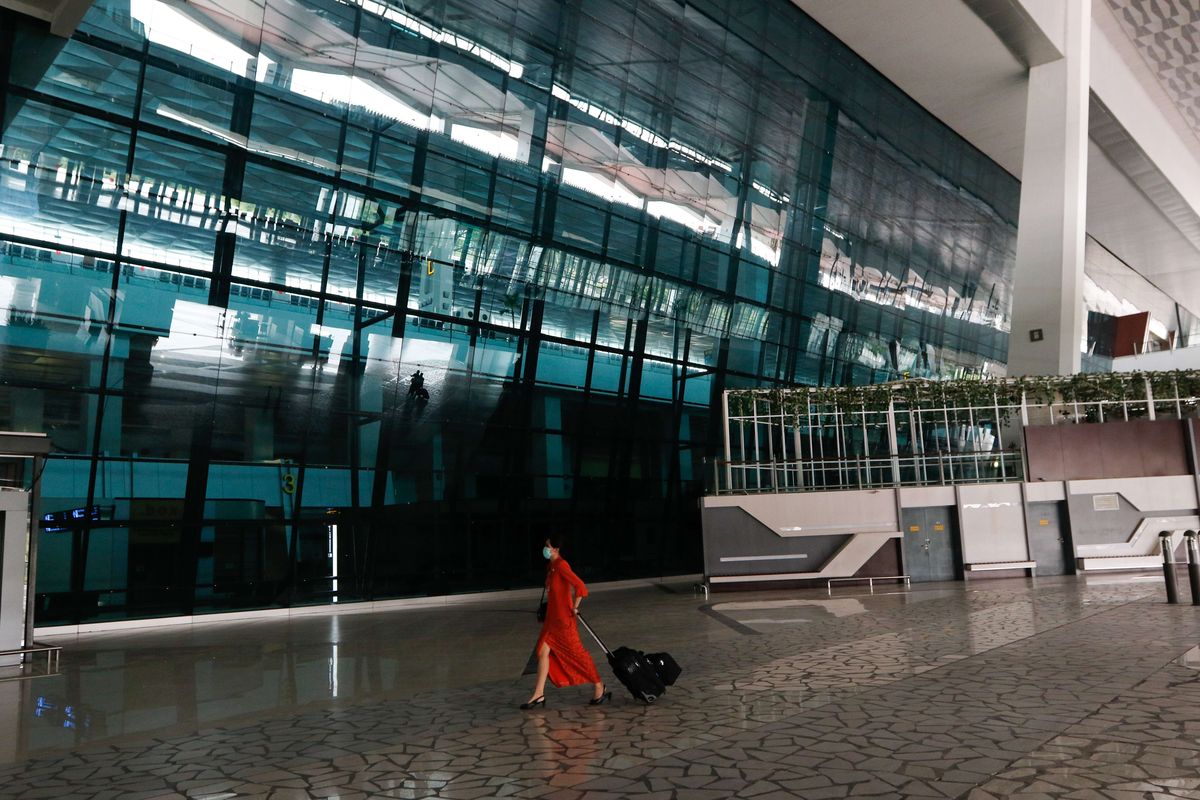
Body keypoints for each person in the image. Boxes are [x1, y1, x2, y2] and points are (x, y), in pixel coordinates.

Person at [521, 536, 610, 709]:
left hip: (563, 621)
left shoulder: (562, 565)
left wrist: (574, 607)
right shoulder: (552, 566)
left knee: (577, 655)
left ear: (555, 549)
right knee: (541, 652)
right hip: (551, 620)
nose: (544, 549)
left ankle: (599, 685)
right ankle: (539, 694)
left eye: (547, 546)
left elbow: (581, 587)